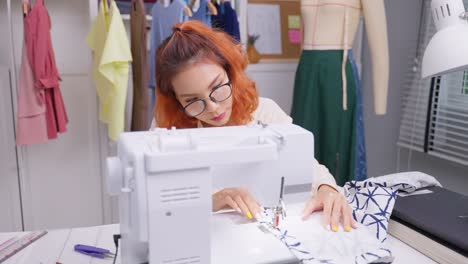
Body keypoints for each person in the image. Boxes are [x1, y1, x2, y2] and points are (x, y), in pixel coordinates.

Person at [152, 21, 357, 232]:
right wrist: (214, 200)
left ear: (230, 72)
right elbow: (158, 203)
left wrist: (327, 189)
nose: (213, 108)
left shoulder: (264, 112)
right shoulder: (167, 131)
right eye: (193, 100)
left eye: (217, 87)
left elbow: (310, 167)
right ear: (177, 101)